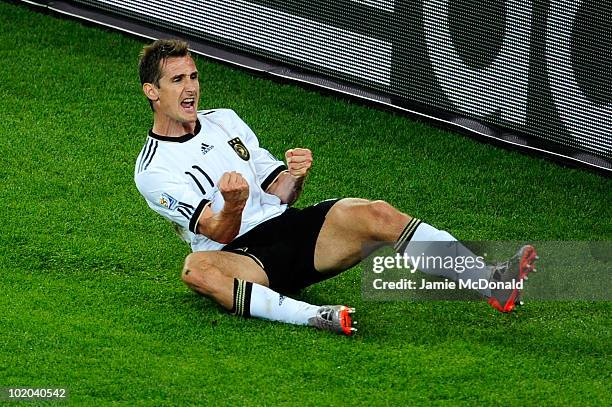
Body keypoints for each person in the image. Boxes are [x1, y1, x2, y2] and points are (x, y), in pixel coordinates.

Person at [134, 39, 538, 336]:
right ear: (152, 92)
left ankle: (492, 282)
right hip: (238, 258)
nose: (190, 87)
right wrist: (234, 203)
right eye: (177, 80)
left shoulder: (225, 119)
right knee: (196, 271)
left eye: (193, 76)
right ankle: (311, 315)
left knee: (375, 212)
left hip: (289, 231)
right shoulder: (153, 169)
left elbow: (280, 192)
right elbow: (218, 231)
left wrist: (295, 175)